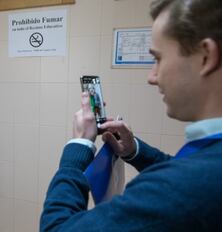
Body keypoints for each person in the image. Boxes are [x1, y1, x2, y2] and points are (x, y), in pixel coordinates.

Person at [40, 0, 222, 231]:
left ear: (206, 56)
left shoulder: (184, 188)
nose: (152, 76)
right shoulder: (207, 165)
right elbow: (185, 168)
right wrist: (134, 151)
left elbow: (57, 228)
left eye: (158, 59)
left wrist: (78, 146)